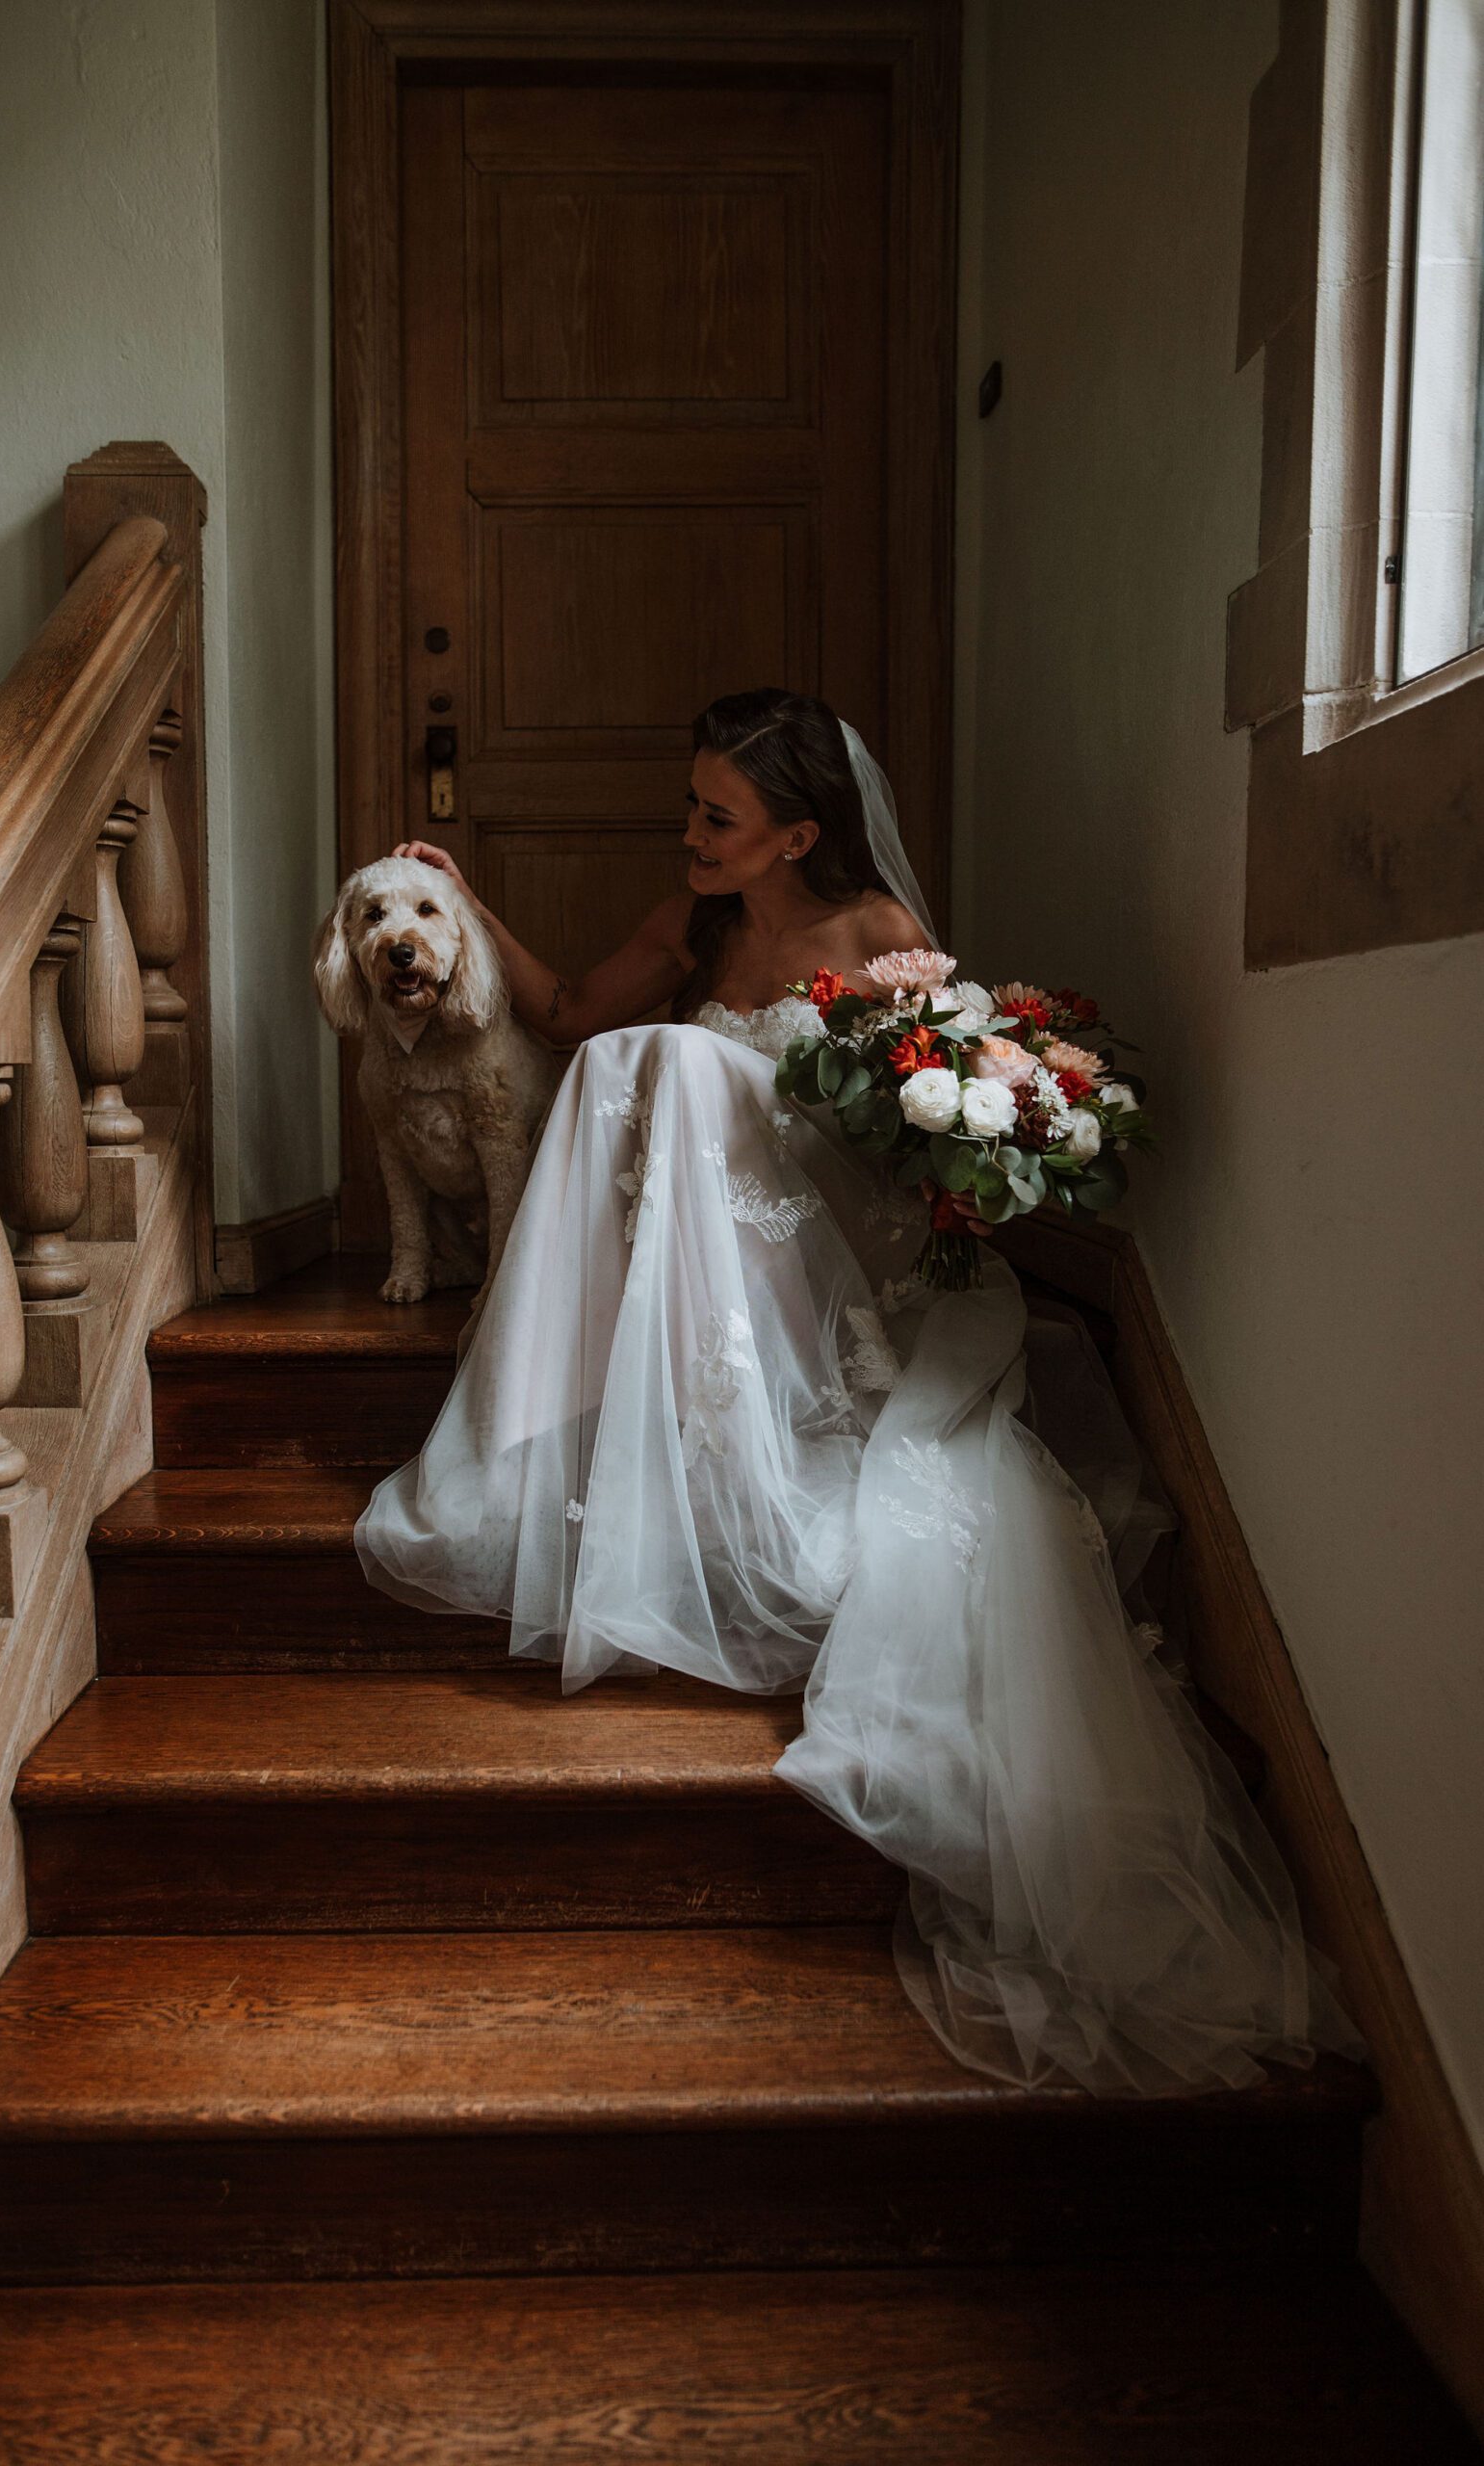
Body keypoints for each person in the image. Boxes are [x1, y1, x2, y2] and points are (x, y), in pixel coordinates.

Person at [356, 688, 1364, 2097]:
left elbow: (928, 1119)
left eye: (719, 816)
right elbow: (569, 1009)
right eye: (692, 808)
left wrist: (940, 1079)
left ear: (798, 835)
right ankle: (594, 1398)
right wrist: (467, 902)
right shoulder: (699, 923)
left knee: (680, 1068)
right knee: (635, 1053)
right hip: (705, 1267)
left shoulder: (884, 935)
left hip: (834, 1256)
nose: (691, 833)